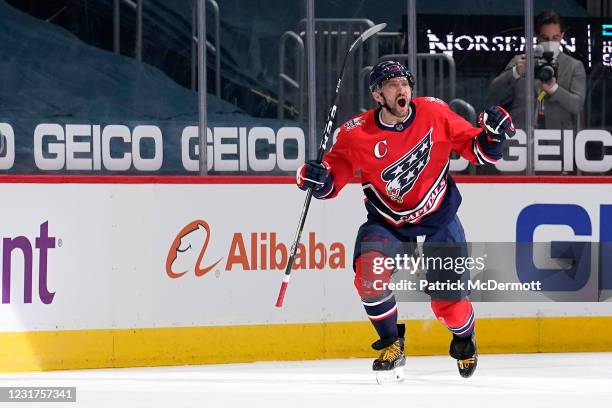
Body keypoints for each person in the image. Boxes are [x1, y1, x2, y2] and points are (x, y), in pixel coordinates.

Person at [296, 61, 515, 383]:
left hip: (438, 218)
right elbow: (333, 177)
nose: (402, 90)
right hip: (388, 222)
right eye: (392, 84)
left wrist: (496, 137)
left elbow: (478, 152)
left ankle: (465, 338)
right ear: (377, 94)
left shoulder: (434, 113)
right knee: (369, 276)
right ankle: (391, 344)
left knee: (450, 306)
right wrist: (315, 178)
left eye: (405, 83)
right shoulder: (355, 132)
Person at [488, 10, 586, 130]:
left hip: (558, 139)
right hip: (523, 136)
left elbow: (577, 105)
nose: (550, 42)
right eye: (545, 38)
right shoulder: (521, 61)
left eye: (555, 38)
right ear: (537, 36)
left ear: (562, 35)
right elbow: (493, 94)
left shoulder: (573, 66)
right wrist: (515, 73)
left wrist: (554, 89)